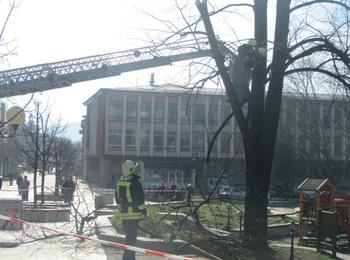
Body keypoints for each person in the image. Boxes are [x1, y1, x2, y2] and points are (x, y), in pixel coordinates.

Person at [115, 160, 146, 260]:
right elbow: (139, 199)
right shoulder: (135, 183)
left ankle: (129, 258)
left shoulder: (119, 182)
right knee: (131, 240)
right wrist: (144, 212)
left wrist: (121, 210)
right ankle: (127, 258)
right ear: (132, 170)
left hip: (124, 215)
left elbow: (117, 199)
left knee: (128, 239)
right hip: (134, 215)